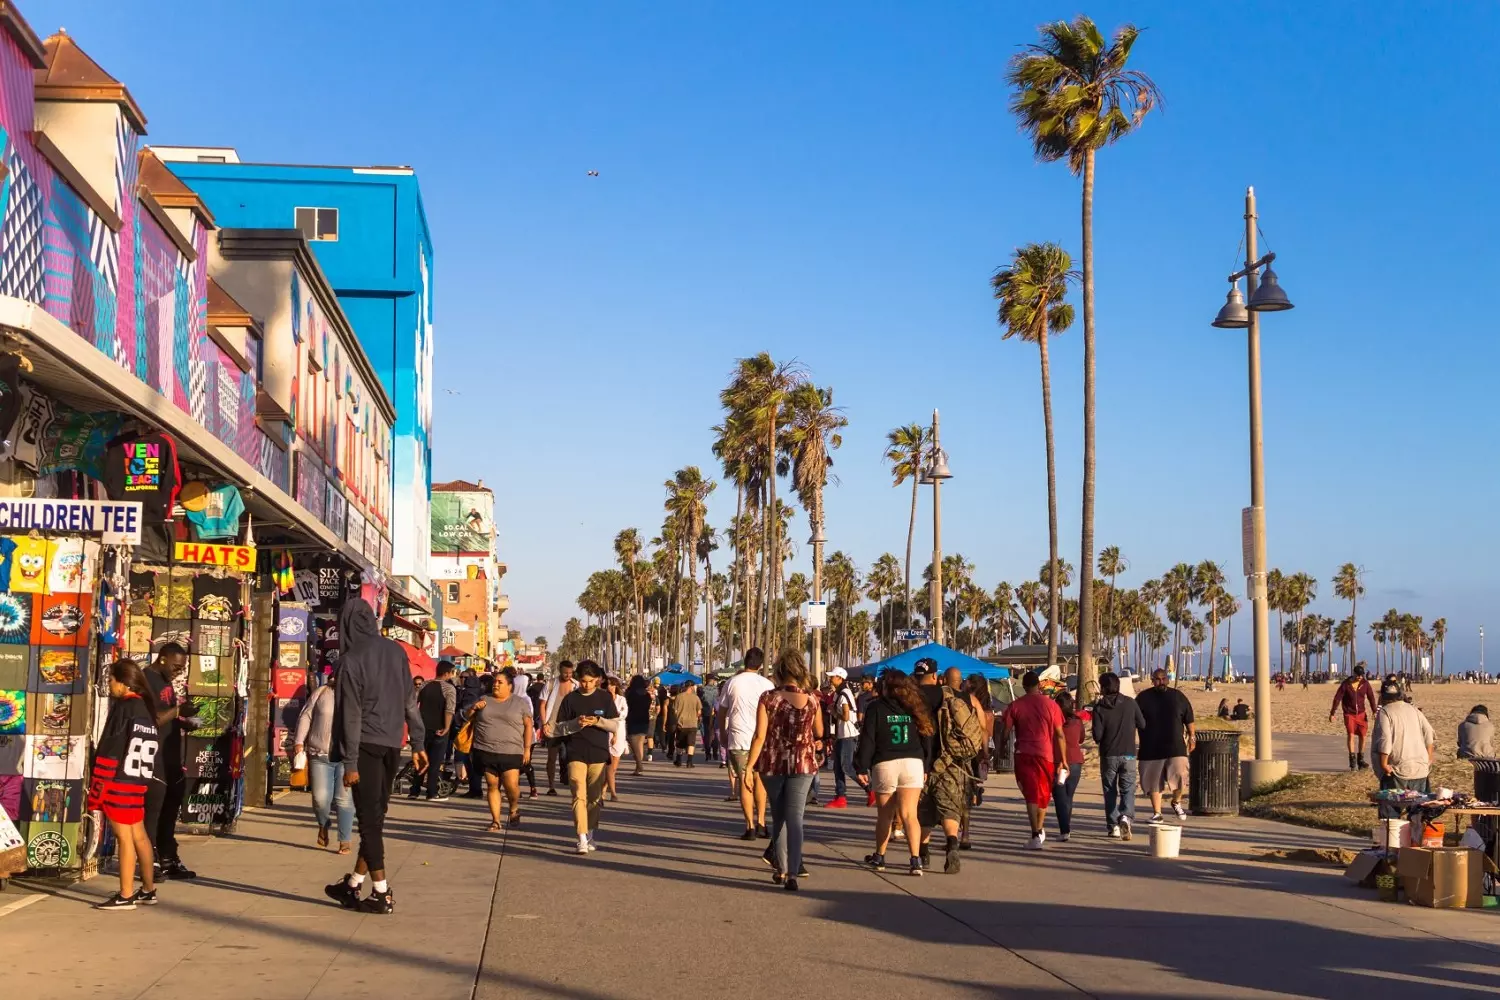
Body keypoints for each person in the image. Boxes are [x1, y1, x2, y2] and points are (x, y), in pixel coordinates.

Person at [325, 598, 428, 915]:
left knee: (369, 822)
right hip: (391, 746)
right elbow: (410, 702)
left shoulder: (349, 661)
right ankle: (354, 883)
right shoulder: (397, 651)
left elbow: (351, 715)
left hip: (365, 746)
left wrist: (350, 762)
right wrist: (419, 742)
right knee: (376, 817)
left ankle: (381, 893)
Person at [746, 649, 823, 891]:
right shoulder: (812, 700)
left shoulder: (768, 698)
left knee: (778, 818)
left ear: (779, 671)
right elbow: (819, 732)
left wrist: (749, 767)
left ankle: (781, 869)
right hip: (803, 763)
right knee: (796, 819)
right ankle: (793, 872)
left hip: (773, 763)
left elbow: (760, 736)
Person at [88, 658, 161, 909]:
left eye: (111, 679)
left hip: (119, 781)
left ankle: (126, 894)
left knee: (124, 837)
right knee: (139, 835)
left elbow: (111, 747)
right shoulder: (146, 710)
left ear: (122, 682)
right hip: (138, 780)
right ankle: (148, 889)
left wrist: (98, 785)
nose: (109, 684)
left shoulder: (124, 708)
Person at [855, 670, 933, 877]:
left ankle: (880, 856)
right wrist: (926, 765)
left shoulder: (875, 708)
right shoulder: (915, 706)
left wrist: (861, 766)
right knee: (910, 814)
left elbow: (868, 740)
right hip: (913, 762)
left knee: (885, 815)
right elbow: (927, 738)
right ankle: (915, 859)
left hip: (885, 762)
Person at [142, 643, 196, 880]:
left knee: (171, 809)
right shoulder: (146, 680)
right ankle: (148, 860)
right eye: (176, 666)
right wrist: (177, 711)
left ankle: (167, 857)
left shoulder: (165, 681)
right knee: (153, 811)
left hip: (172, 757)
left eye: (182, 668)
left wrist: (185, 721)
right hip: (154, 758)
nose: (178, 672)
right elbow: (151, 720)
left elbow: (167, 716)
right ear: (162, 659)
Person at [555, 660, 621, 853]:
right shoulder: (570, 699)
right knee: (577, 792)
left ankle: (590, 833)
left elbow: (615, 725)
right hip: (575, 751)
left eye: (590, 681)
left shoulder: (605, 698)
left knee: (594, 797)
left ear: (597, 680)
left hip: (598, 753)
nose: (586, 685)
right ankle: (581, 837)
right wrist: (576, 723)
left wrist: (598, 721)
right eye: (583, 681)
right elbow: (560, 727)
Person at [998, 671, 1067, 849]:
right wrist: (1064, 759)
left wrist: (1000, 750)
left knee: (1030, 794)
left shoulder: (1015, 706)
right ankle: (1039, 829)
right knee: (1043, 793)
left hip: (1023, 754)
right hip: (1046, 755)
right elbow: (1060, 735)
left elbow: (1005, 732)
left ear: (1025, 686)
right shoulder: (1052, 705)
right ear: (1039, 685)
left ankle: (1035, 833)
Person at [293, 669, 354, 854]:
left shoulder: (355, 695)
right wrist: (298, 742)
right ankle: (323, 824)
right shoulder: (321, 692)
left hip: (346, 757)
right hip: (319, 755)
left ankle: (345, 840)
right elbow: (306, 716)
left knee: (344, 800)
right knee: (320, 799)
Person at [719, 648, 774, 839]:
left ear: (745, 662)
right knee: (760, 780)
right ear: (760, 664)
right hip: (762, 738)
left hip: (738, 737)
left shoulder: (732, 682)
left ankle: (749, 826)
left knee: (744, 779)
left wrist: (722, 733)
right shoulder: (767, 684)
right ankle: (761, 822)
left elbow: (722, 711)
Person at [468, 672, 532, 830]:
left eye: (500, 682)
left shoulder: (519, 703)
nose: (495, 684)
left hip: (511, 750)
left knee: (511, 785)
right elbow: (468, 717)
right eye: (495, 682)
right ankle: (496, 821)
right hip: (485, 749)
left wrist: (527, 749)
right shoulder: (484, 699)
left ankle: (514, 807)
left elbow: (528, 725)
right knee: (492, 784)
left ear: (510, 686)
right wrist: (474, 708)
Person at [1091, 671, 1146, 841]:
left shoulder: (1099, 708)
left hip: (1109, 754)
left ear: (1104, 688)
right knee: (1128, 788)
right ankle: (1126, 816)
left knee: (1109, 790)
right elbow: (1142, 724)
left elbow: (1097, 736)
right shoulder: (1130, 703)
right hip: (1128, 753)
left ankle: (1113, 825)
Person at [1137, 668, 1195, 824]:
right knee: (1153, 781)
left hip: (1175, 746)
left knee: (1180, 776)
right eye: (1157, 679)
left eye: (1163, 678)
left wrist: (1192, 737)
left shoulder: (1178, 696)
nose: (1161, 681)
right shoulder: (1143, 697)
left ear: (1168, 679)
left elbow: (1189, 718)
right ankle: (1157, 813)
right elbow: (1134, 719)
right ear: (1152, 680)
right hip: (1150, 747)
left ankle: (1176, 802)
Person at [1373, 679, 1435, 802]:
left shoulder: (1385, 712)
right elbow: (1429, 733)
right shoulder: (1415, 710)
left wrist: (1384, 764)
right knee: (1417, 808)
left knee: (1392, 808)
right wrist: (1429, 757)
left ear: (1383, 697)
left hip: (1397, 769)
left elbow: (1385, 739)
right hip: (1420, 768)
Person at [411, 661, 457, 801]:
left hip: (422, 727)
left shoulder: (424, 685)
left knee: (421, 759)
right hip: (439, 728)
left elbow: (413, 704)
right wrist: (447, 727)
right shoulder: (449, 689)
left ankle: (414, 790)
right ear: (447, 673)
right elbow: (449, 710)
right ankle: (431, 792)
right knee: (435, 761)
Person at [1328, 663, 1379, 771]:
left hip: (1361, 713)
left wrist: (1374, 711)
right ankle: (1352, 760)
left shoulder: (1365, 684)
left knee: (1363, 736)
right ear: (1354, 673)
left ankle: (1361, 759)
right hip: (1349, 714)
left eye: (1361, 675)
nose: (1360, 677)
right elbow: (1337, 698)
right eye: (1358, 675)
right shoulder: (1346, 684)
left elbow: (1371, 698)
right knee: (1351, 735)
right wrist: (1333, 713)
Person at [1052, 692, 1086, 842]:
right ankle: (1067, 827)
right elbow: (1081, 739)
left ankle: (1064, 829)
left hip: (1058, 761)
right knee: (1068, 796)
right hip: (1076, 761)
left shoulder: (1054, 721)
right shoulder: (1077, 721)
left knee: (1060, 797)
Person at [539, 661, 576, 795]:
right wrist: (544, 723)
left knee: (571, 757)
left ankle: (571, 782)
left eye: (570, 673)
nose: (568, 675)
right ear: (560, 670)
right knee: (551, 758)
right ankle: (551, 786)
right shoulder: (550, 684)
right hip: (552, 726)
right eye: (565, 672)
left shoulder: (575, 685)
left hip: (570, 726)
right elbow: (542, 705)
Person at [825, 666, 859, 809]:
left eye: (833, 676)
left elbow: (845, 716)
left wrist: (833, 712)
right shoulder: (839, 693)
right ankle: (840, 796)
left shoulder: (844, 694)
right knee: (838, 767)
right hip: (842, 734)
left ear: (840, 678)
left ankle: (870, 789)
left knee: (846, 766)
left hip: (848, 734)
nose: (830, 679)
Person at [854, 674, 879, 806]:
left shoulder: (863, 698)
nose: (862, 685)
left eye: (864, 683)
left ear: (870, 684)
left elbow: (860, 716)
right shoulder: (881, 699)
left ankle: (872, 791)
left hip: (867, 731)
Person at [624, 675, 654, 776]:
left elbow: (627, 705)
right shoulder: (647, 695)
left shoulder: (630, 693)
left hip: (633, 719)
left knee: (633, 744)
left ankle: (639, 764)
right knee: (640, 743)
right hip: (644, 719)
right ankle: (638, 767)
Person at [605, 676, 628, 799]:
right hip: (606, 732)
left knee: (614, 767)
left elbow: (623, 714)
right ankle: (612, 792)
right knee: (608, 764)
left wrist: (616, 715)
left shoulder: (621, 699)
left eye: (612, 685)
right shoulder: (603, 699)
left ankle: (604, 789)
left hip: (619, 731)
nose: (610, 687)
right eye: (608, 684)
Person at [671, 678, 702, 767]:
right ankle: (689, 762)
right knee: (691, 743)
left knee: (680, 743)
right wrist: (697, 718)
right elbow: (699, 712)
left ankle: (679, 760)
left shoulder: (679, 696)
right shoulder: (696, 698)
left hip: (681, 723)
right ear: (692, 687)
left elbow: (675, 710)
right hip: (692, 723)